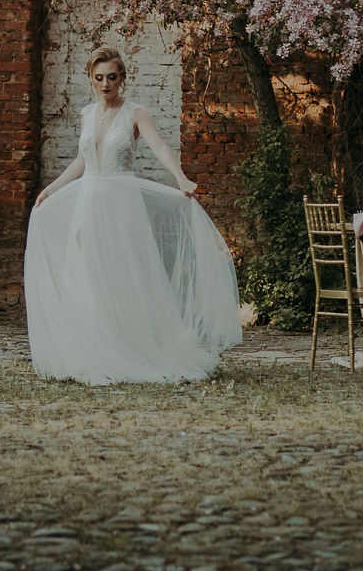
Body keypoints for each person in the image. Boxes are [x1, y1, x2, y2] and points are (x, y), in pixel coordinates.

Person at [23, 47, 241, 383]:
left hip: (121, 204)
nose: (105, 84)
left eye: (112, 77)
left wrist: (180, 177)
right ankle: (93, 349)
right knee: (88, 275)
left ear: (122, 78)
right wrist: (52, 188)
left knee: (125, 273)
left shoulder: (136, 114)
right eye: (99, 78)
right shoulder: (86, 114)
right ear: (91, 79)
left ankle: (133, 345)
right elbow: (83, 162)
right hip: (89, 202)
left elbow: (160, 148)